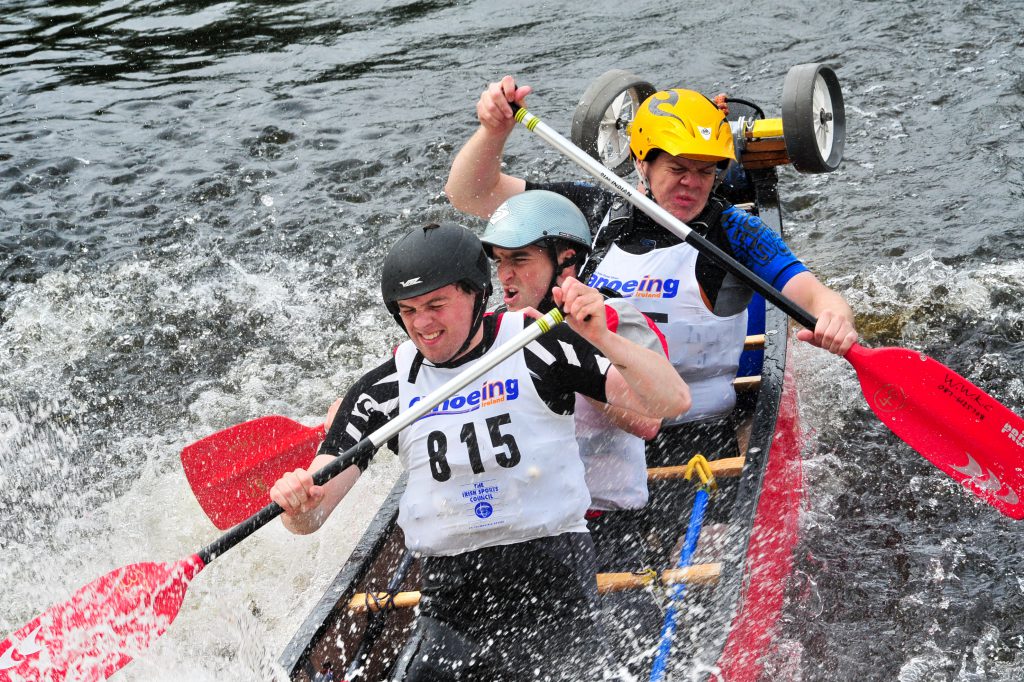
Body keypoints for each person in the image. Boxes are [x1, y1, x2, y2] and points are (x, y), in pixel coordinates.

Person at [446, 78, 857, 557]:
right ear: (642, 163)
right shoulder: (592, 208)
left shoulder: (735, 232)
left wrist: (836, 320)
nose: (692, 184)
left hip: (697, 435)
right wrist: (493, 131)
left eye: (706, 171)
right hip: (589, 431)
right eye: (678, 168)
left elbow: (814, 294)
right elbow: (470, 195)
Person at [269, 223, 690, 681]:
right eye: (408, 311)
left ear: (475, 294)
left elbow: (671, 402)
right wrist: (297, 502)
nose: (423, 324)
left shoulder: (539, 346)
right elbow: (310, 518)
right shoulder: (383, 390)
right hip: (451, 602)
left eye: (436, 305)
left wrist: (605, 339)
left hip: (556, 581)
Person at [481, 189, 672, 677]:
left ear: (566, 263)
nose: (504, 276)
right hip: (517, 530)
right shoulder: (490, 331)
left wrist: (576, 349)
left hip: (601, 525)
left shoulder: (619, 320)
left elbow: (650, 420)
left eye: (519, 260)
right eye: (500, 261)